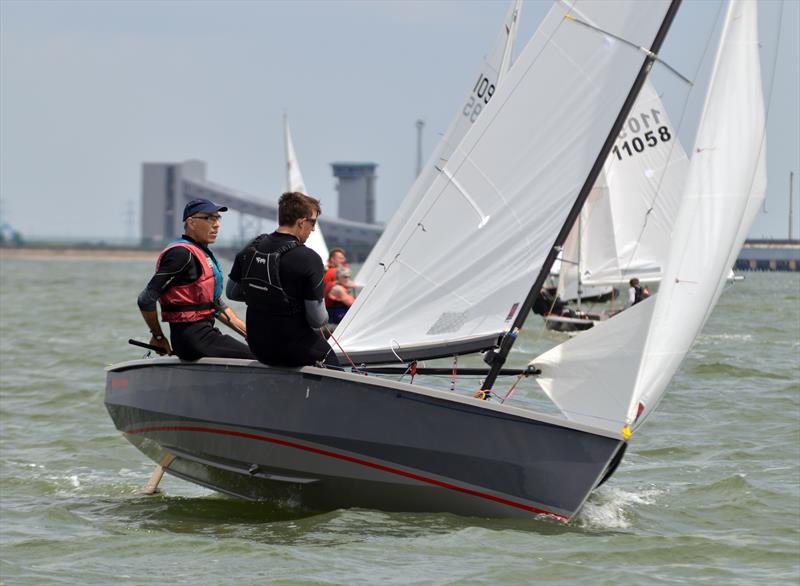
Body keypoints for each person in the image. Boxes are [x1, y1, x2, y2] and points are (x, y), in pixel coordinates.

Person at [227, 191, 335, 367]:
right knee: (331, 361)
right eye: (313, 222)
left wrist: (262, 295)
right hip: (291, 348)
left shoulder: (253, 246)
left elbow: (231, 293)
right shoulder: (310, 258)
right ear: (301, 222)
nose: (314, 229)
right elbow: (317, 319)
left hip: (258, 345)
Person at [137, 198, 254, 360]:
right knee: (260, 359)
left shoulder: (200, 252)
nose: (216, 224)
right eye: (209, 218)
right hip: (193, 340)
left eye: (217, 218)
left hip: (204, 336)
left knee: (264, 353)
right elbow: (146, 299)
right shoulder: (181, 254)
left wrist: (250, 335)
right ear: (191, 223)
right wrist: (158, 337)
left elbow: (215, 304)